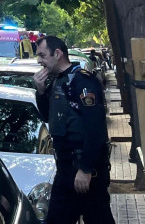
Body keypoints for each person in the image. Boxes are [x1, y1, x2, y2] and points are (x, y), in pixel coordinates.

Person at [33, 35, 115, 224]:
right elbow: (48, 117)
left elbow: (95, 128)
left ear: (58, 54)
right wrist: (41, 91)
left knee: (98, 218)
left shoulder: (82, 81)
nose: (39, 61)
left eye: (42, 55)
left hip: (86, 171)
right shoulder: (57, 80)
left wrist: (85, 169)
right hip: (65, 169)